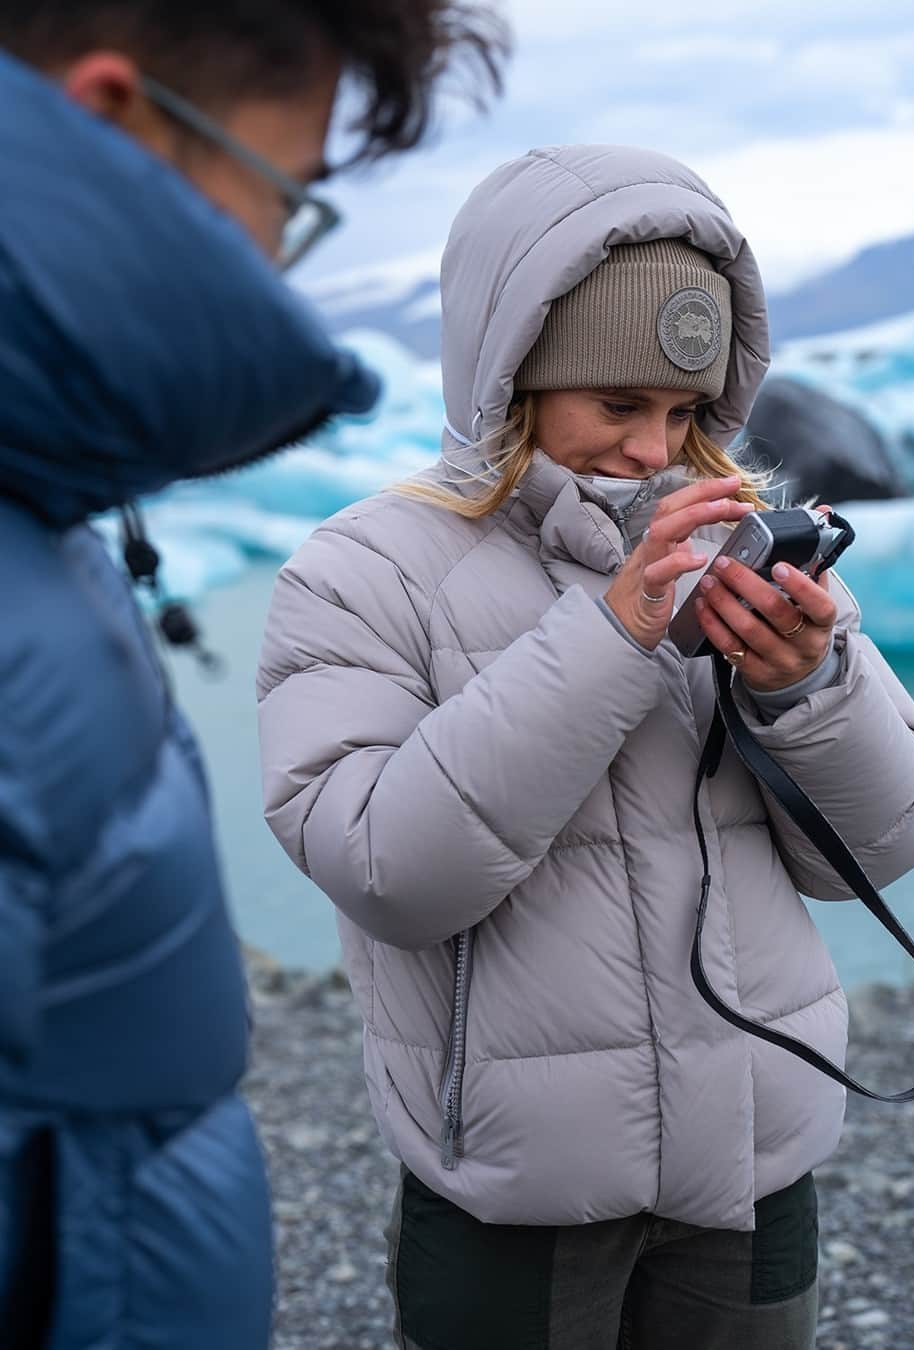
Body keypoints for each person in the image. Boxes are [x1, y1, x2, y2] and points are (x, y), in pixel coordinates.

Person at [257, 145, 914, 1350]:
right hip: (519, 1182)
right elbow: (387, 873)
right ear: (511, 375)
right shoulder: (362, 572)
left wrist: (808, 686)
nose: (653, 449)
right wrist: (613, 635)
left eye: (684, 412)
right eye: (617, 404)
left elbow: (883, 849)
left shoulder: (728, 537)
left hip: (753, 1154)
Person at [0, 5, 503, 1347]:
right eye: (287, 193)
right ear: (111, 122)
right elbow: (386, 850)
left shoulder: (41, 524)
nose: (282, 261)